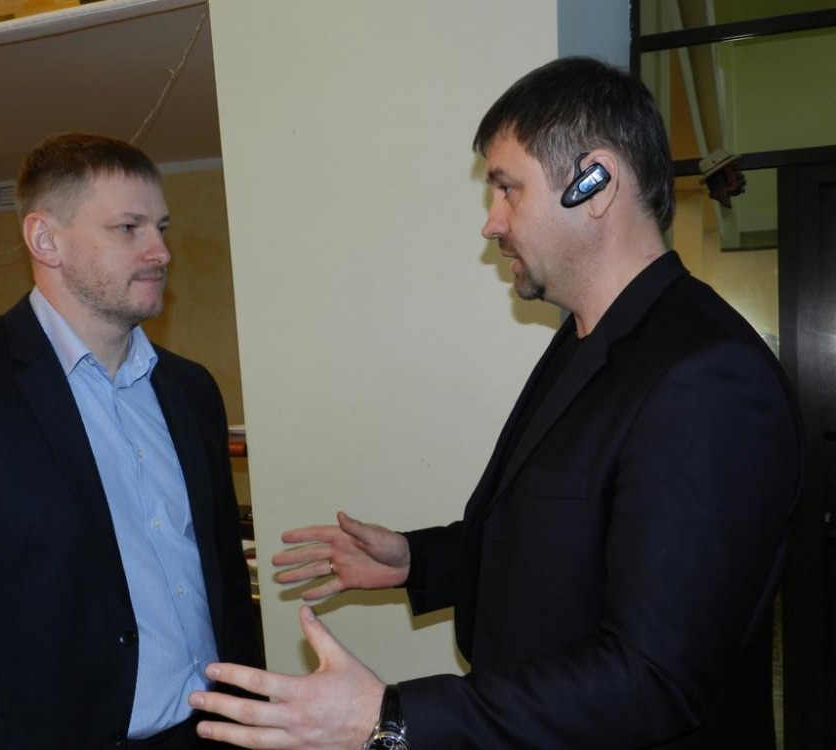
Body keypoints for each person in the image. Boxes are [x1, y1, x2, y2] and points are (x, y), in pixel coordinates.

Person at [187, 57, 803, 749]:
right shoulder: (587, 336)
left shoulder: (706, 377)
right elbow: (565, 540)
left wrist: (390, 718)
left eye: (508, 189)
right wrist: (417, 561)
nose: (492, 223)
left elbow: (653, 677)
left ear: (595, 183)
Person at [0, 133, 262, 749]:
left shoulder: (191, 389)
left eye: (161, 227)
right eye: (129, 228)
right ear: (45, 239)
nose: (161, 251)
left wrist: (253, 724)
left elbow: (223, 583)